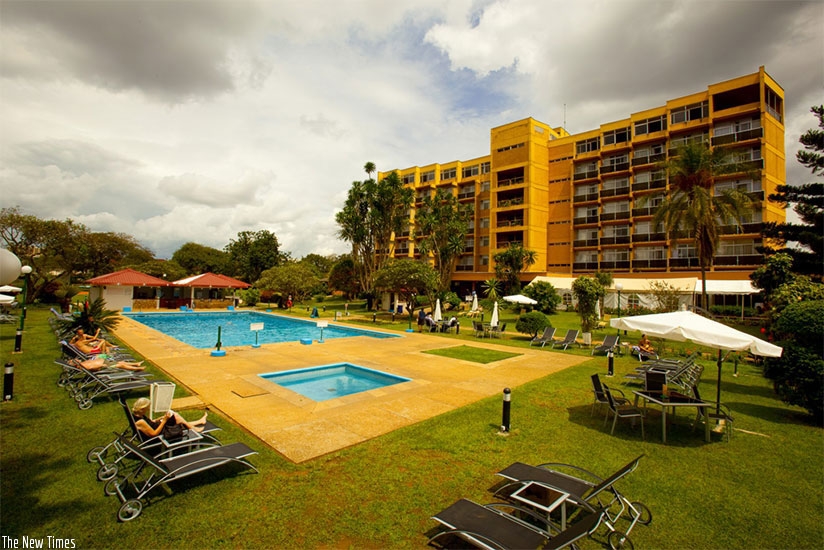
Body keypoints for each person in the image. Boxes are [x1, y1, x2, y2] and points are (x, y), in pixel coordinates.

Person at [131, 397, 209, 438]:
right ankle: (195, 429)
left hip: (157, 426)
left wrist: (159, 419)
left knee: (176, 417)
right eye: (147, 408)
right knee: (176, 417)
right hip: (160, 432)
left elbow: (150, 423)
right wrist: (164, 421)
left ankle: (199, 422)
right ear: (142, 409)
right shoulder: (140, 422)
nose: (148, 409)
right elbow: (154, 434)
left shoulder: (138, 415)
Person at [69, 356, 145, 372]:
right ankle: (138, 368)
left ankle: (136, 364)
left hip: (105, 362)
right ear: (76, 364)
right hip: (105, 366)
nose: (76, 359)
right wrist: (102, 365)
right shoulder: (84, 366)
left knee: (120, 362)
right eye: (74, 360)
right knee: (121, 365)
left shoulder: (82, 363)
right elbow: (94, 368)